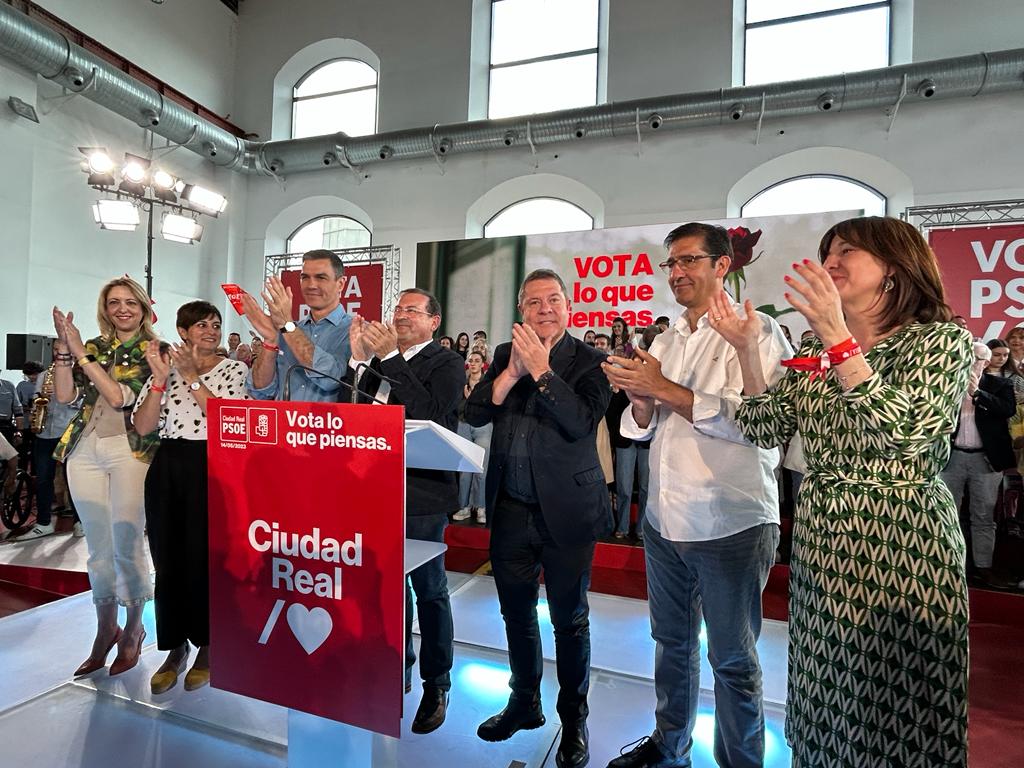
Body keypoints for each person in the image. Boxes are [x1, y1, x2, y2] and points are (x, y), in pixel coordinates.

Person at [710, 216, 972, 767]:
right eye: (826, 251)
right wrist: (744, 352)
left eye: (847, 251)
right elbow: (764, 428)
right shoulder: (814, 346)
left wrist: (838, 338)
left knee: (897, 706)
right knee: (827, 697)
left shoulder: (940, 342)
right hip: (824, 546)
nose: (829, 262)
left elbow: (905, 435)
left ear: (895, 270)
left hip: (900, 543)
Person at [602, 222, 789, 768]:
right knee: (671, 645)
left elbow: (756, 424)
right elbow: (647, 425)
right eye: (671, 263)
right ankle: (670, 744)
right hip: (665, 520)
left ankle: (740, 760)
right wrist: (639, 397)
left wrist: (662, 388)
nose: (677, 273)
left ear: (721, 265)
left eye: (689, 261)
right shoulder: (666, 338)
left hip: (730, 520)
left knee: (732, 658)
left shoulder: (756, 331)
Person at [466, 268, 611, 768]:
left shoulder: (592, 360)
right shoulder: (506, 357)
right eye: (533, 302)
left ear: (568, 307)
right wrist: (510, 374)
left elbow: (579, 422)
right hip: (510, 509)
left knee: (569, 621)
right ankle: (524, 702)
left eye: (553, 300)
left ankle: (573, 720)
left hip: (566, 513)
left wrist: (543, 372)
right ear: (521, 311)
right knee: (515, 614)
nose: (544, 308)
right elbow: (475, 413)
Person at [347, 288, 464, 735]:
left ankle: (437, 681)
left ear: (434, 321)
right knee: (388, 589)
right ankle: (396, 668)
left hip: (424, 496)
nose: (400, 316)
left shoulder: (446, 362)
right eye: (397, 309)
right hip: (376, 489)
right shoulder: (380, 361)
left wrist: (387, 360)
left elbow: (431, 411)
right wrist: (361, 361)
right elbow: (356, 412)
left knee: (429, 588)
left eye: (412, 311)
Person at [133, 301, 249, 695]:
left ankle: (209, 645)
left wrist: (193, 378)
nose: (211, 330)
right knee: (167, 561)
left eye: (216, 324)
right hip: (169, 463)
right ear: (183, 331)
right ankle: (174, 646)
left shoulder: (234, 368)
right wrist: (163, 380)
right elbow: (145, 425)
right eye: (201, 324)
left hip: (213, 463)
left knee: (205, 558)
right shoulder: (164, 370)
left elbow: (228, 419)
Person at [52, 276, 159, 677]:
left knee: (127, 543)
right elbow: (65, 396)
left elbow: (119, 396)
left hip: (131, 451)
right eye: (114, 302)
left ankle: (134, 629)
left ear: (144, 308)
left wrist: (80, 352)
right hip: (84, 449)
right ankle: (104, 630)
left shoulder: (156, 350)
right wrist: (64, 351)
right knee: (98, 549)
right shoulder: (93, 348)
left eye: (130, 302)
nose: (122, 309)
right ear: (105, 308)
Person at [942, 342, 1015, 588]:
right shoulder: (946, 385)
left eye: (979, 359)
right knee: (948, 514)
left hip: (985, 459)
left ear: (986, 362)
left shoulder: (1000, 384)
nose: (974, 363)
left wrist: (977, 393)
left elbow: (1007, 409)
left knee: (983, 516)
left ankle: (984, 568)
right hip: (951, 459)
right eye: (970, 357)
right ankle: (952, 568)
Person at [243, 248, 351, 401]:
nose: (311, 285)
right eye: (305, 277)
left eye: (321, 277)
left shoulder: (357, 331)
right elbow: (260, 391)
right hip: (282, 423)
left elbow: (331, 379)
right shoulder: (287, 330)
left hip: (327, 423)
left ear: (340, 284)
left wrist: (286, 324)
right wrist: (270, 340)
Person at [9, 351, 82, 541]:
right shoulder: (44, 375)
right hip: (44, 432)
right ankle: (43, 522)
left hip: (67, 431)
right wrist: (39, 404)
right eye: (56, 351)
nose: (59, 354)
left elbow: (83, 404)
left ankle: (80, 522)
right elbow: (36, 401)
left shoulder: (80, 374)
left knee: (72, 480)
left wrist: (63, 394)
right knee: (42, 479)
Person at [454, 350, 490, 524]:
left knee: (481, 469)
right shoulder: (462, 382)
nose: (473, 363)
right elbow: (456, 405)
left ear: (483, 364)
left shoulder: (488, 382)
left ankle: (480, 506)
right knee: (464, 470)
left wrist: (473, 399)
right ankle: (464, 506)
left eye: (477, 360)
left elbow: (491, 405)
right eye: (471, 360)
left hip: (483, 426)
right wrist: (467, 400)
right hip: (464, 424)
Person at [986, 338, 1024, 404]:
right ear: (986, 354)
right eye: (996, 355)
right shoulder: (975, 373)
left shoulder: (1016, 377)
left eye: (1005, 355)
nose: (1002, 358)